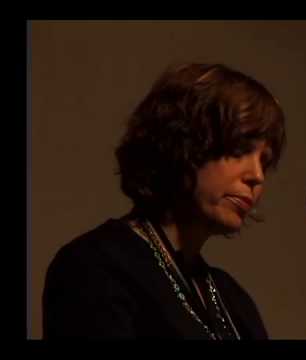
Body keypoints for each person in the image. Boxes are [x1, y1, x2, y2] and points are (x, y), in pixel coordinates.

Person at [42, 63, 286, 339]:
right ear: (184, 143)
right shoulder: (95, 266)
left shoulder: (234, 301)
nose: (256, 176)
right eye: (240, 149)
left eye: (265, 162)